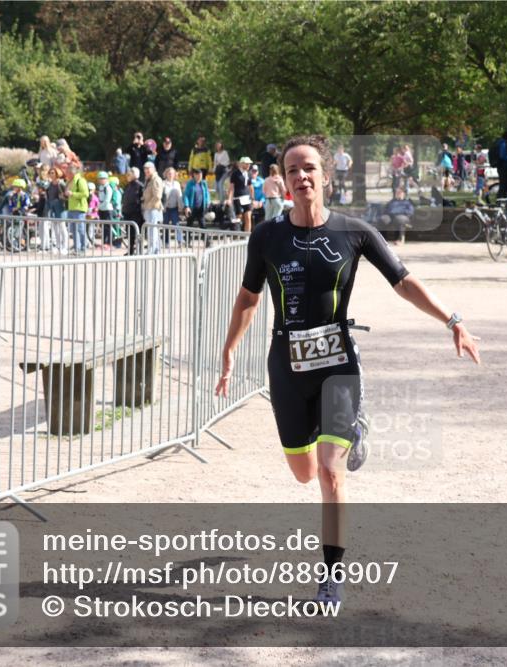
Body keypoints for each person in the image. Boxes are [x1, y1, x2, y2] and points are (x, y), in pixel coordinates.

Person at [214, 135, 480, 604]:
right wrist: (229, 349)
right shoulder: (267, 237)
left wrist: (452, 320)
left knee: (329, 471)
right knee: (303, 473)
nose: (301, 176)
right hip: (287, 366)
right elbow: (249, 298)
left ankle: (331, 574)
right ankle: (350, 432)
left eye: (309, 168)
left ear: (325, 176)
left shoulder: (354, 232)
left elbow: (404, 281)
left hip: (339, 364)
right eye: (292, 169)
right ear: (283, 180)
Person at [64, 162, 90, 254]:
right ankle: (76, 248)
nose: (65, 174)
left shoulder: (80, 181)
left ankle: (83, 248)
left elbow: (86, 194)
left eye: (67, 172)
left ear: (71, 172)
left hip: (79, 209)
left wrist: (72, 194)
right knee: (74, 230)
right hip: (71, 208)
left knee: (80, 229)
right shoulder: (69, 181)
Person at [142, 161, 165, 253]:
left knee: (152, 230)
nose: (146, 170)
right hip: (149, 208)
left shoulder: (156, 179)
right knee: (152, 230)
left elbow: (158, 196)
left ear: (153, 169)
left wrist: (148, 205)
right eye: (145, 168)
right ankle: (156, 250)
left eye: (148, 168)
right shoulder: (148, 179)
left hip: (154, 208)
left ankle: (152, 250)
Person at [227, 156, 254, 232]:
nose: (248, 165)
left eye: (249, 164)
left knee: (248, 217)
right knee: (239, 217)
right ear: (241, 164)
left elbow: (251, 187)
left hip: (247, 198)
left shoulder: (248, 174)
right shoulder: (235, 174)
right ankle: (237, 234)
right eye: (246, 164)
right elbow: (231, 187)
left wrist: (252, 198)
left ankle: (247, 236)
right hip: (238, 198)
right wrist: (229, 199)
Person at [121, 167, 144, 255]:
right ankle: (130, 251)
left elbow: (142, 199)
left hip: (136, 213)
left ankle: (139, 250)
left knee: (137, 233)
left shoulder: (140, 186)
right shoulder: (128, 186)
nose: (128, 176)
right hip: (128, 212)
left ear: (135, 175)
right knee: (129, 233)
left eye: (129, 174)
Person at [162, 167, 183, 244]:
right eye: (169, 173)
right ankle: (166, 241)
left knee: (176, 224)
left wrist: (180, 207)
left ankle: (180, 240)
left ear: (174, 175)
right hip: (165, 208)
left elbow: (180, 196)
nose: (170, 175)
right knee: (166, 225)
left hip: (174, 207)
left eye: (172, 173)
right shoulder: (163, 183)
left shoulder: (177, 184)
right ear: (166, 174)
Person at [96, 171, 116, 249]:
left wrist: (99, 206)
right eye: (99, 178)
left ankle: (109, 243)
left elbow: (107, 200)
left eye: (102, 178)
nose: (100, 180)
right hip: (101, 209)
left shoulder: (108, 188)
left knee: (108, 227)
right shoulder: (101, 187)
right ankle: (104, 243)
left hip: (107, 209)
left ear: (106, 179)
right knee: (103, 227)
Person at [494, 131, 507, 200]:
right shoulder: (503, 144)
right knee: (504, 184)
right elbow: (502, 156)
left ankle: (501, 198)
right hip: (503, 166)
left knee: (503, 183)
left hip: (500, 166)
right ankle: (501, 199)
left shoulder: (499, 142)